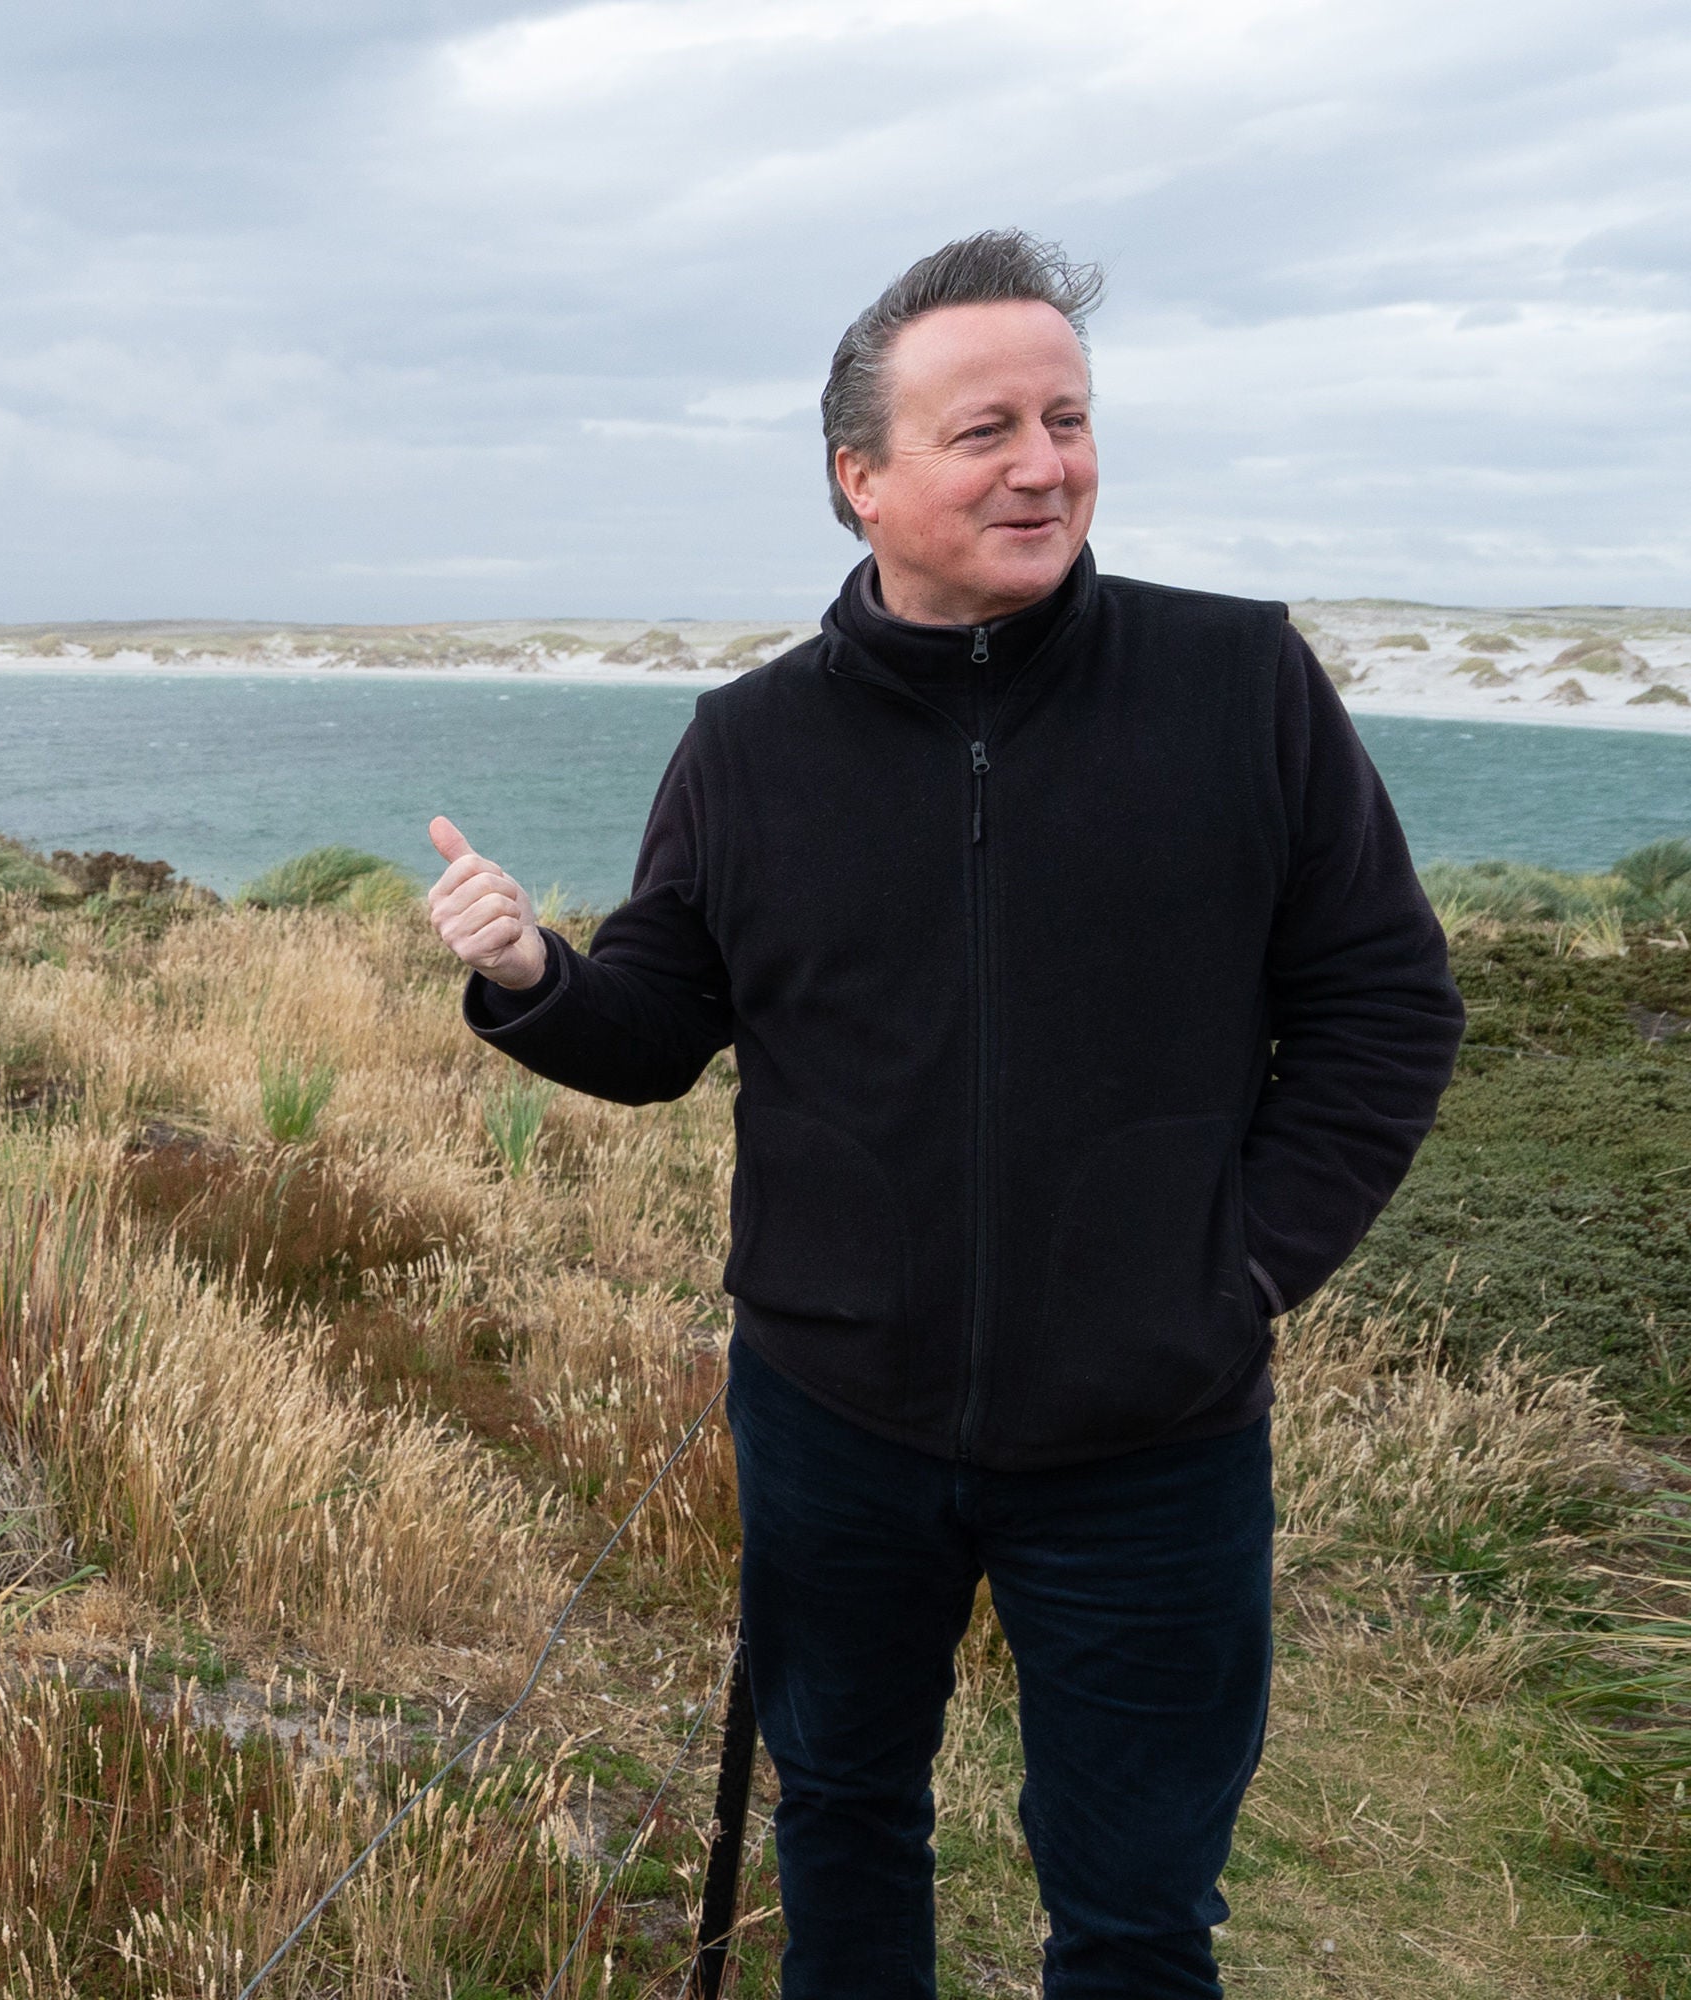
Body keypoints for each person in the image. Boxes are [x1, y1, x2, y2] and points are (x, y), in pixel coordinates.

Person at [425, 230, 1463, 1999]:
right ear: (861, 479)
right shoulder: (749, 746)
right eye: (986, 429)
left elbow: (1384, 1008)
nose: (1045, 463)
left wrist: (1235, 1272)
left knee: (1138, 1905)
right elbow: (663, 1026)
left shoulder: (1237, 685)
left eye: (1067, 418)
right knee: (839, 1816)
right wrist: (535, 978)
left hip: (1155, 1435)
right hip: (839, 1419)